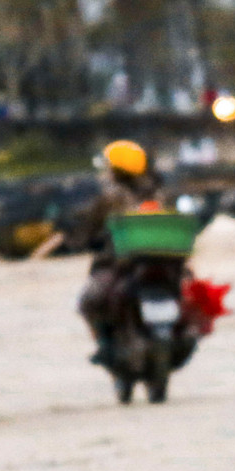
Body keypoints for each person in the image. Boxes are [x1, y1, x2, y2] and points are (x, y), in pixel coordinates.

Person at [69, 139, 161, 366]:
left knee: (88, 302)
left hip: (122, 262)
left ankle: (104, 345)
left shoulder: (111, 196)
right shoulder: (158, 192)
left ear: (115, 169)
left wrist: (76, 240)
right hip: (162, 260)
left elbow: (89, 226)